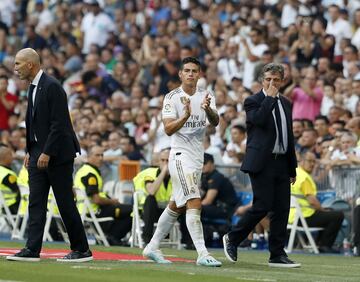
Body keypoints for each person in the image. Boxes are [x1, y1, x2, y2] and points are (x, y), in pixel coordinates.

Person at [6, 48, 92, 262]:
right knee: (36, 202)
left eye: (18, 63)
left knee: (64, 203)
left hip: (58, 155)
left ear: (30, 65)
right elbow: (35, 124)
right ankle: (32, 249)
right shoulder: (33, 87)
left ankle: (82, 249)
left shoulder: (52, 86)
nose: (14, 68)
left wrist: (46, 152)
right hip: (38, 153)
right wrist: (30, 150)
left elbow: (60, 125)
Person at [142, 57, 222, 267]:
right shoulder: (172, 97)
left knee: (176, 205)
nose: (190, 74)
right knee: (194, 200)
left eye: (194, 71)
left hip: (196, 158)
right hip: (179, 157)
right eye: (186, 70)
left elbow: (215, 122)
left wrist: (207, 110)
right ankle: (203, 253)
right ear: (180, 74)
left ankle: (152, 246)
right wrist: (186, 115)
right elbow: (168, 129)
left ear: (199, 74)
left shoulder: (206, 95)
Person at [223, 63, 300, 268]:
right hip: (262, 162)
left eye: (276, 80)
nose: (272, 83)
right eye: (268, 79)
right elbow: (259, 120)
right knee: (262, 206)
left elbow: (288, 136)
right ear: (262, 81)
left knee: (282, 209)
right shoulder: (253, 101)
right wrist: (270, 99)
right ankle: (233, 238)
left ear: (282, 81)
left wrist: (292, 168)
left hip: (282, 162)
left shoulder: (286, 103)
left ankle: (277, 254)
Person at [74, 145, 132, 245]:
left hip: (85, 210)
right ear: (89, 156)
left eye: (102, 155)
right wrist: (112, 201)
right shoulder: (90, 174)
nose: (101, 158)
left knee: (124, 210)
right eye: (97, 155)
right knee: (133, 210)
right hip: (94, 211)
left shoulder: (84, 170)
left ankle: (109, 236)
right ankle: (113, 237)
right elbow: (96, 199)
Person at [289, 151, 344, 253]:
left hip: (290, 216)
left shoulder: (293, 173)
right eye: (310, 161)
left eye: (314, 162)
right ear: (301, 161)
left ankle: (319, 243)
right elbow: (313, 202)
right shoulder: (304, 177)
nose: (312, 164)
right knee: (337, 215)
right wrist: (323, 210)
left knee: (326, 215)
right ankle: (324, 245)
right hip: (304, 216)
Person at [133, 148, 173, 244]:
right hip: (149, 210)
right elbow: (151, 191)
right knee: (150, 199)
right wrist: (163, 172)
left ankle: (188, 243)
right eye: (162, 160)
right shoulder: (151, 173)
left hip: (169, 210)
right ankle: (147, 239)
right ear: (158, 161)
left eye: (168, 161)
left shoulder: (177, 175)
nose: (165, 163)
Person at [0, 144, 20, 215]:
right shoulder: (7, 175)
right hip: (12, 207)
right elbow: (19, 191)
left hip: (3, 207)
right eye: (11, 155)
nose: (13, 157)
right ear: (5, 157)